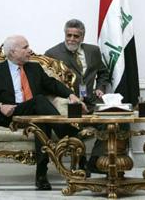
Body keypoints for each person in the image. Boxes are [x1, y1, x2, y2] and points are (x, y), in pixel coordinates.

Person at [0, 35, 88, 190]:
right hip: (11, 114)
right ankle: (72, 136)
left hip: (34, 114)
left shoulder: (34, 68)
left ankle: (41, 175)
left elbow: (51, 84)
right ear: (13, 52)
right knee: (40, 100)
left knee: (41, 122)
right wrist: (0, 105)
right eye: (25, 47)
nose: (30, 50)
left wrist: (71, 94)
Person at [45, 19, 110, 174]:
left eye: (76, 36)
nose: (72, 39)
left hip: (91, 99)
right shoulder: (52, 54)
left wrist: (100, 88)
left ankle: (94, 161)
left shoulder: (93, 51)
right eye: (69, 35)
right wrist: (68, 97)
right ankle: (81, 163)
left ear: (82, 37)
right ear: (65, 34)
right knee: (75, 125)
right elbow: (48, 83)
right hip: (69, 102)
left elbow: (103, 72)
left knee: (111, 121)